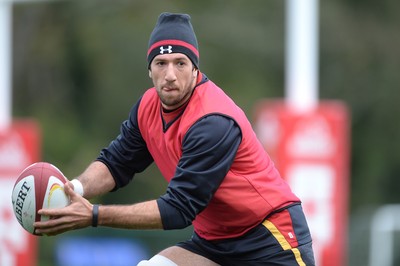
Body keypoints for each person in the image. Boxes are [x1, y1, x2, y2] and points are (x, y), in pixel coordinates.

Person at [34, 12, 315, 266]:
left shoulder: (212, 121)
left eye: (180, 63)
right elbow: (116, 163)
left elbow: (177, 210)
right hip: (214, 243)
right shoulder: (147, 108)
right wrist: (74, 189)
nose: (170, 75)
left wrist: (94, 215)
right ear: (149, 69)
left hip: (269, 240)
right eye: (161, 63)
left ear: (195, 68)